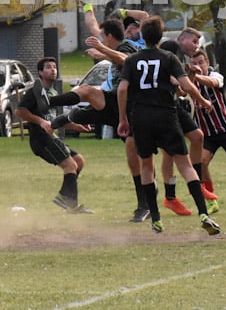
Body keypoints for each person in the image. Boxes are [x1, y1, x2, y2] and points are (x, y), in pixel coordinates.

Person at [117, 16, 220, 236]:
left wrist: (122, 119)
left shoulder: (132, 61)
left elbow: (122, 89)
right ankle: (203, 213)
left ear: (142, 36)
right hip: (166, 116)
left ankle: (155, 219)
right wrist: (203, 102)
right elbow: (186, 86)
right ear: (161, 36)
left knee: (147, 165)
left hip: (141, 117)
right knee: (185, 165)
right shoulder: (168, 57)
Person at [49, 16, 151, 222]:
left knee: (135, 159)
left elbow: (125, 60)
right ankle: (50, 103)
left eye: (103, 38)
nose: (101, 40)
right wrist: (88, 10)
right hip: (114, 102)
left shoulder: (127, 47)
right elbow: (95, 29)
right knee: (85, 98)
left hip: (130, 107)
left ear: (110, 37)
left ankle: (145, 205)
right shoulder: (113, 48)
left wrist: (102, 51)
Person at [15, 57, 91, 213]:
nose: (53, 70)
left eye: (54, 67)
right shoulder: (35, 92)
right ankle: (71, 204)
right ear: (41, 72)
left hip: (51, 137)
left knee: (79, 161)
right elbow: (19, 111)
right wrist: (40, 121)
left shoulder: (53, 93)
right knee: (70, 165)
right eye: (48, 67)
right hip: (41, 139)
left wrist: (77, 126)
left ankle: (65, 197)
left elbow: (54, 121)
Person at [157, 38, 213, 217]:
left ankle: (197, 184)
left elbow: (180, 91)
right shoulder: (162, 63)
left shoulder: (173, 63)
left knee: (198, 136)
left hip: (175, 106)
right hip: (161, 110)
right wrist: (203, 100)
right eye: (194, 41)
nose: (196, 45)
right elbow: (184, 87)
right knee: (169, 153)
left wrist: (190, 75)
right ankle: (170, 197)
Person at [188, 49, 226, 216]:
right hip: (207, 134)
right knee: (201, 162)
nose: (198, 66)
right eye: (194, 64)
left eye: (201, 62)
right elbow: (182, 92)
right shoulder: (189, 81)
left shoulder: (216, 75)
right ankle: (212, 200)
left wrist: (196, 76)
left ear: (207, 63)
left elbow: (213, 83)